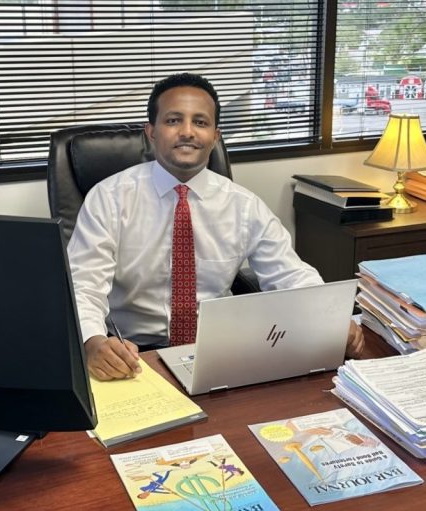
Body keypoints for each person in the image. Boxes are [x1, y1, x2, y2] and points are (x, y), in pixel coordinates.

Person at [68, 73, 364, 381]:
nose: (187, 132)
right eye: (172, 121)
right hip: (134, 354)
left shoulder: (243, 205)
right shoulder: (109, 198)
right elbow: (83, 285)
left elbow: (290, 274)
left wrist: (333, 319)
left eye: (200, 122)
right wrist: (92, 342)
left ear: (215, 135)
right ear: (151, 132)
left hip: (219, 353)